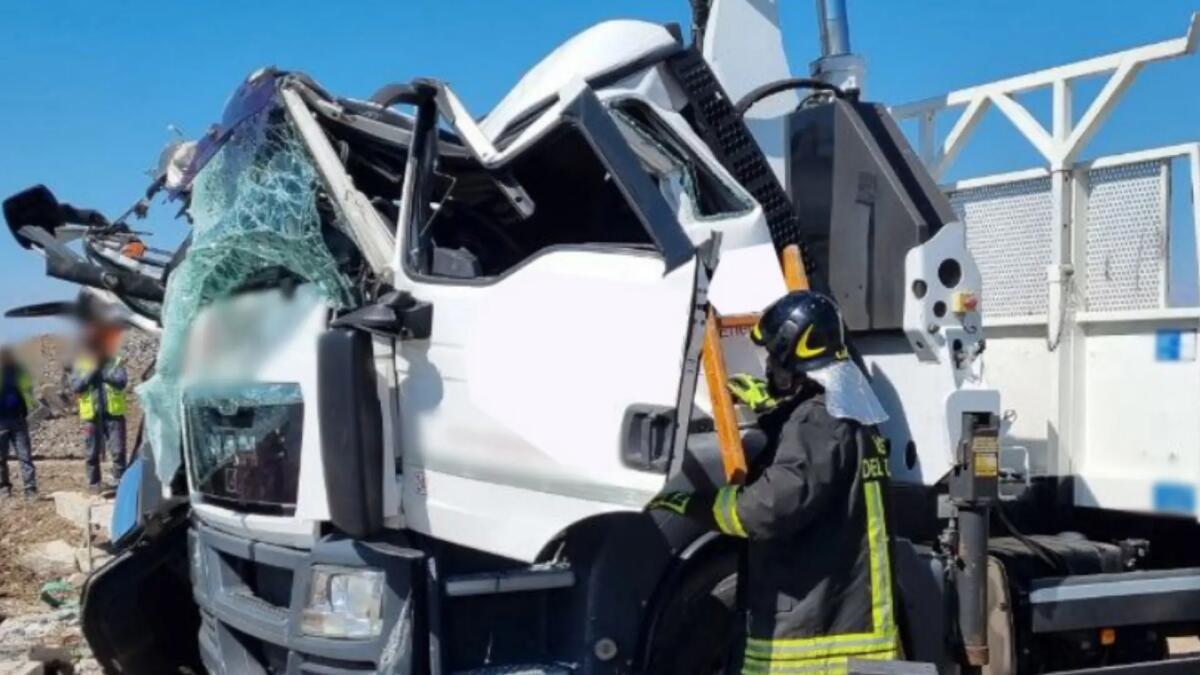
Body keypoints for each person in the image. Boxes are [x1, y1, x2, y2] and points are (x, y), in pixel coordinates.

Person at [650, 291, 898, 674]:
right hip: (852, 623)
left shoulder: (819, 421)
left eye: (774, 361)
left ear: (796, 360)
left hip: (815, 638)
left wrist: (696, 505)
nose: (768, 370)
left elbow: (766, 509)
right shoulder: (851, 408)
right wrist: (776, 413)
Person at [69, 323, 128, 493]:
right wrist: (90, 372)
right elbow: (76, 386)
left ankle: (120, 484)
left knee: (118, 452)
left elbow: (121, 381)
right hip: (91, 416)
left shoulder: (115, 360)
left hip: (113, 414)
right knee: (91, 453)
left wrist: (103, 373)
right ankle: (94, 484)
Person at [0, 347, 36, 499]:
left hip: (18, 419)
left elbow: (28, 387)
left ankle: (30, 488)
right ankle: (4, 488)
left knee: (25, 456)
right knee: (1, 458)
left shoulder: (18, 370)